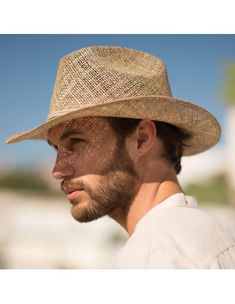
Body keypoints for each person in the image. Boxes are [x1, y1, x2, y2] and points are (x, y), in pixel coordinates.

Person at [6, 45, 235, 268]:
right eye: (57, 149)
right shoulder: (219, 235)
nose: (58, 170)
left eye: (76, 142)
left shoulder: (153, 257)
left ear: (142, 139)